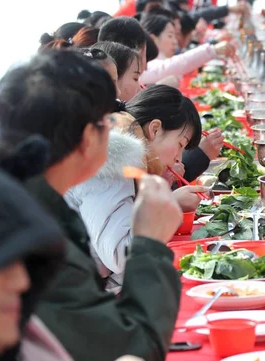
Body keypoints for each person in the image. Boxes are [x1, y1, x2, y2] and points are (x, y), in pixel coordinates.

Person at [0, 50, 182, 361]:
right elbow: (132, 357)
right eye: (106, 121)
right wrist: (149, 242)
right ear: (88, 138)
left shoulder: (29, 198)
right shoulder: (34, 239)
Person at [0, 164, 161, 361]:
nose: (21, 281)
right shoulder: (112, 174)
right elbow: (119, 254)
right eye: (2, 263)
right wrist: (151, 239)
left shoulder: (32, 345)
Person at [65, 84, 203, 288]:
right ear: (155, 128)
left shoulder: (117, 145)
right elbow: (121, 255)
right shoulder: (114, 158)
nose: (178, 158)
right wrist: (164, 205)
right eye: (180, 145)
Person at [139, 14, 236, 85]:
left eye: (175, 35)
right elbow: (179, 63)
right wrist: (212, 50)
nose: (175, 41)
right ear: (153, 38)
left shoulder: (160, 61)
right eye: (170, 36)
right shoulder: (148, 65)